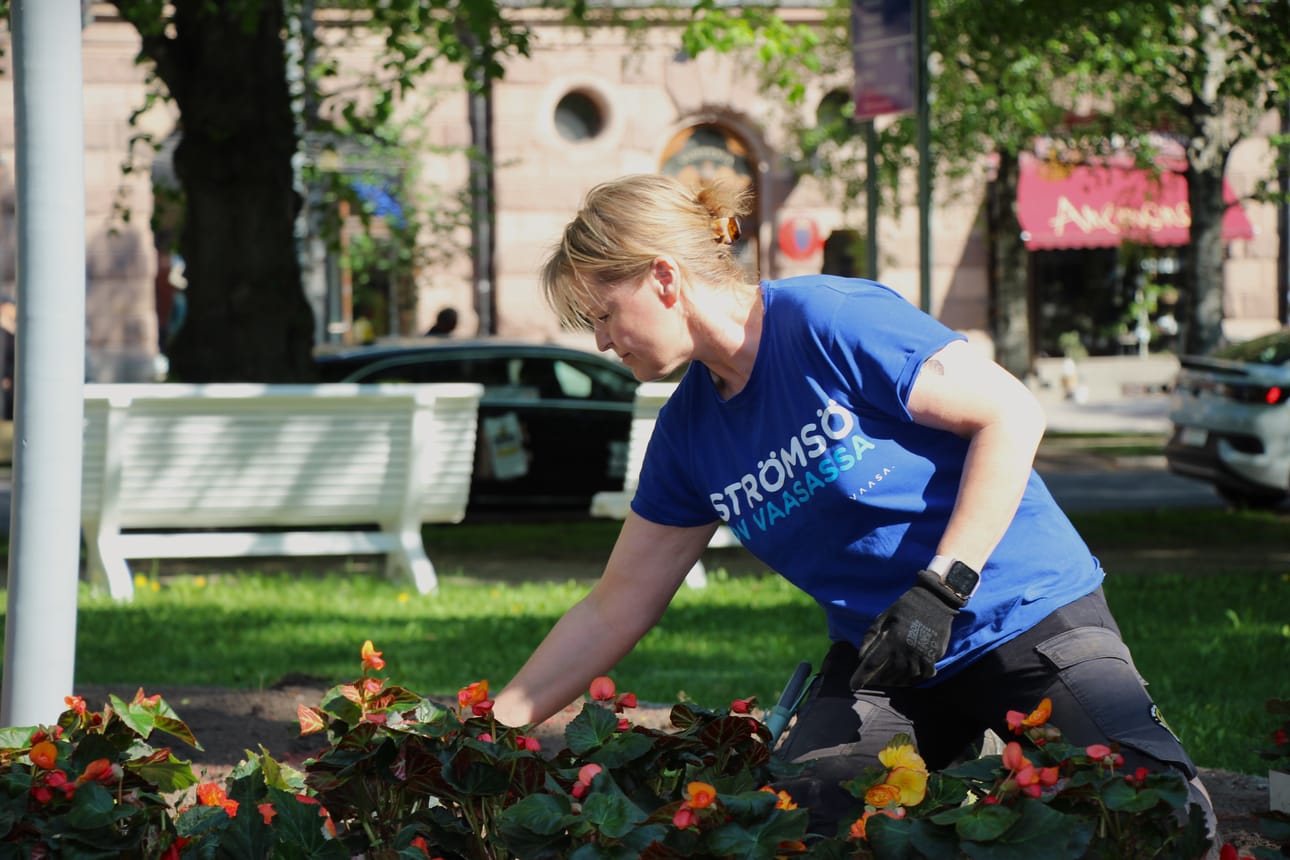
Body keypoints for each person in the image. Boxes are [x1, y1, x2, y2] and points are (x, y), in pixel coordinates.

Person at [491, 173, 1216, 847]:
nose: (602, 342)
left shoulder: (827, 320)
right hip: (889, 657)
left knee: (1157, 818)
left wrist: (941, 588)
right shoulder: (687, 434)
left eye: (605, 315)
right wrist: (486, 729)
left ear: (663, 278)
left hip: (1023, 613)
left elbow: (1011, 413)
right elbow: (615, 606)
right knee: (803, 826)